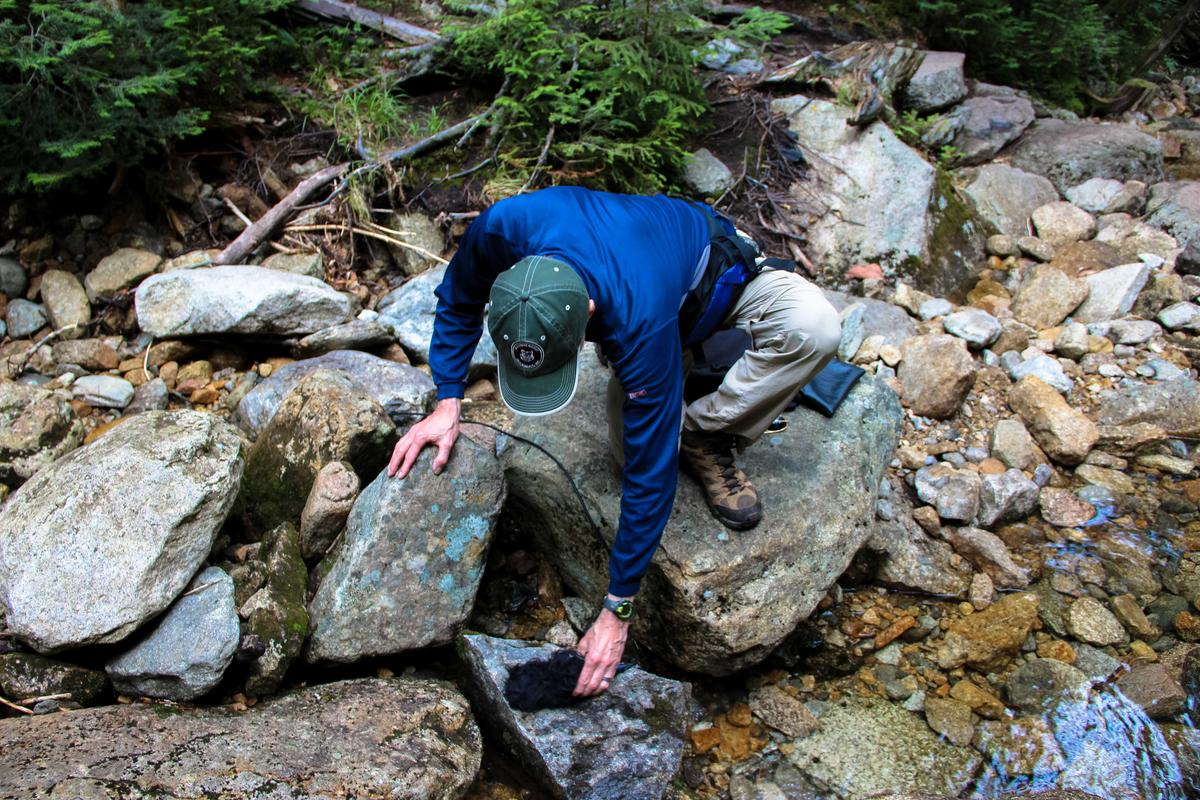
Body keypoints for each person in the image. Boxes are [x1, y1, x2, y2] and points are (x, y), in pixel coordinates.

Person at [387, 186, 840, 697]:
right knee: (627, 451)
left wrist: (617, 611)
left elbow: (651, 479)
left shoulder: (635, 313)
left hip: (710, 277)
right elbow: (457, 298)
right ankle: (677, 384)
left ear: (590, 311)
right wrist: (448, 399)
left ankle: (706, 430)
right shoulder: (502, 227)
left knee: (814, 329)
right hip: (643, 293)